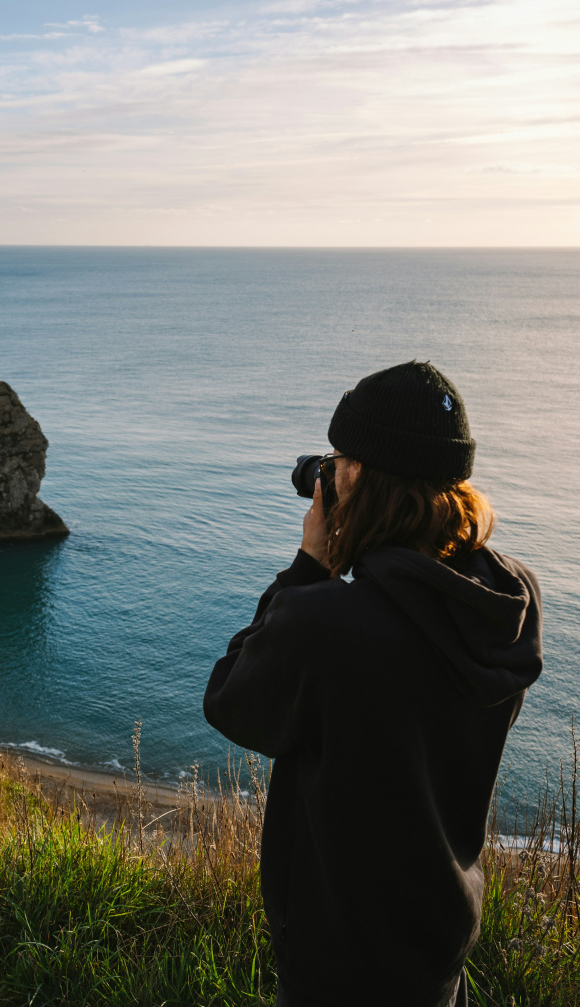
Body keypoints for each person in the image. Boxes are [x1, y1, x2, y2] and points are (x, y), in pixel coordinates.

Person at [203, 361, 542, 1007]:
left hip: (336, 970)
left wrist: (309, 567)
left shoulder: (326, 621)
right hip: (438, 957)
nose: (326, 475)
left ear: (357, 476)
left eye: (337, 460)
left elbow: (231, 700)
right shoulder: (506, 605)